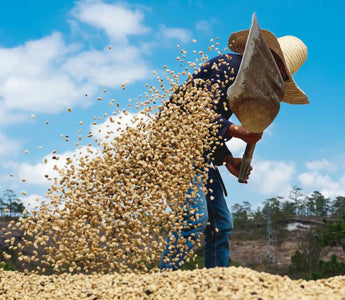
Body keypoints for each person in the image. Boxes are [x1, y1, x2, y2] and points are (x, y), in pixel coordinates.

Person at [160, 22, 309, 270]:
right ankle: (161, 285)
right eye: (281, 73)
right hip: (171, 147)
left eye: (283, 79)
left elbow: (206, 131)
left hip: (197, 154)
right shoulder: (229, 66)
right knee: (193, 219)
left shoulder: (244, 85)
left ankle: (217, 285)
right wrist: (235, 130)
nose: (279, 78)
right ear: (270, 59)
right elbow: (195, 114)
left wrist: (228, 159)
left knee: (221, 225)